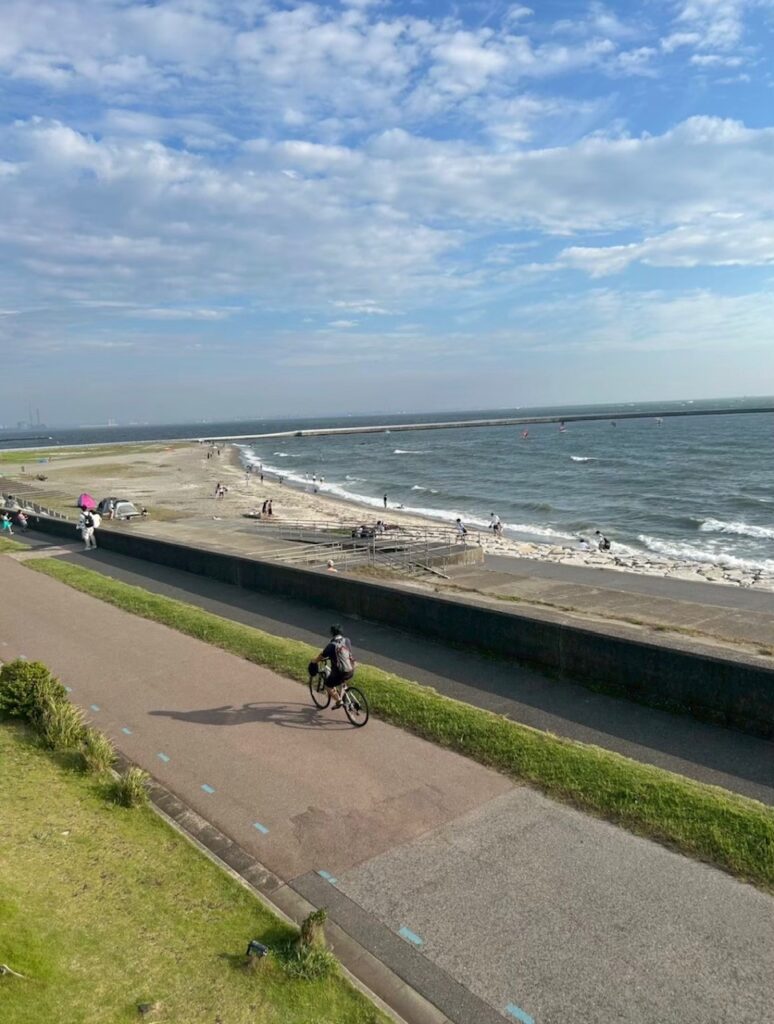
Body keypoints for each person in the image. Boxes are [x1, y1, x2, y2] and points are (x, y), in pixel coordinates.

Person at [313, 625, 355, 707]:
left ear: (332, 633)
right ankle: (344, 694)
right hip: (351, 669)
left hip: (340, 672)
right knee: (343, 679)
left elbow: (322, 656)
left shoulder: (331, 645)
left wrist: (314, 661)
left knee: (328, 685)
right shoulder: (347, 640)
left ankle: (339, 701)